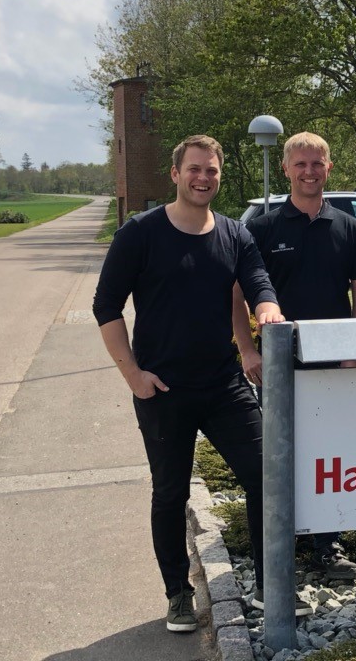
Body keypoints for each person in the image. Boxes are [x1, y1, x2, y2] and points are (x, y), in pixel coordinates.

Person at [92, 135, 292, 633]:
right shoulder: (140, 233)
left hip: (223, 385)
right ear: (176, 174)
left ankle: (271, 586)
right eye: (195, 169)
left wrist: (267, 308)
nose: (204, 178)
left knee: (267, 477)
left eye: (212, 171)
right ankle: (178, 596)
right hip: (162, 389)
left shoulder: (233, 233)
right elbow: (106, 306)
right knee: (170, 493)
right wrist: (133, 374)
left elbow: (257, 280)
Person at [233, 131, 356, 582]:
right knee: (280, 455)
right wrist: (247, 348)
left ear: (329, 168)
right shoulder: (262, 229)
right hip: (278, 365)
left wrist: (352, 352)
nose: (309, 172)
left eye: (317, 163)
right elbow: (237, 294)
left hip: (333, 364)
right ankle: (280, 546)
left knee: (329, 454)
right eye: (300, 164)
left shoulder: (348, 227)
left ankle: (327, 546)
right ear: (287, 169)